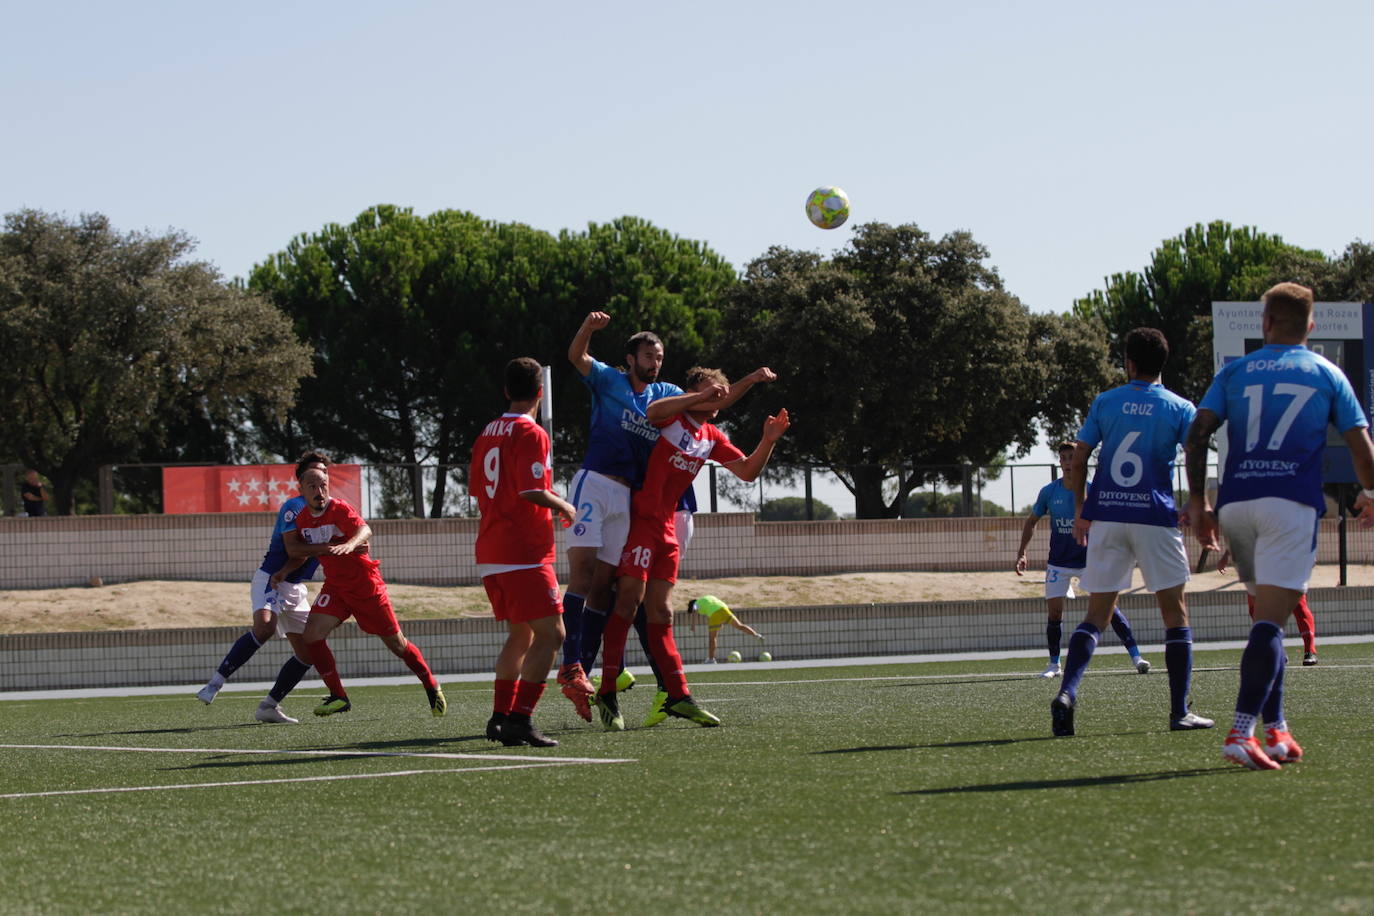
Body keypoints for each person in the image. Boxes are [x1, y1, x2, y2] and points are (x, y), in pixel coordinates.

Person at [1184, 282, 1374, 769]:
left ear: (1265, 323)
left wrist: (1200, 503)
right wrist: (1371, 495)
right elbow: (1360, 449)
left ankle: (1277, 730)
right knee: (1272, 620)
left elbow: (1199, 432)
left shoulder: (1236, 371)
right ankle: (1240, 731)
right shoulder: (1327, 374)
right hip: (1290, 503)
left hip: (1239, 504)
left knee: (1268, 621)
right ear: (1311, 326)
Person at [593, 367, 789, 731]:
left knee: (663, 613)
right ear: (694, 390)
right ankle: (607, 691)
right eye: (712, 390)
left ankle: (677, 695)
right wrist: (723, 388)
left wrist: (770, 439)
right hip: (640, 520)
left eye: (721, 395)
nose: (718, 398)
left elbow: (747, 472)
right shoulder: (670, 415)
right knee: (627, 601)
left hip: (667, 528)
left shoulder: (711, 435)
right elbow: (652, 413)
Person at [1052, 327, 1214, 737]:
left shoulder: (1106, 402)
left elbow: (1082, 452)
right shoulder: (1180, 407)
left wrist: (1081, 507)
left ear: (1129, 362)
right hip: (1155, 517)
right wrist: (1197, 502)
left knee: (1096, 615)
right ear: (1164, 362)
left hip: (1106, 517)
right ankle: (1179, 712)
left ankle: (1068, 693)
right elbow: (1195, 452)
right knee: (1175, 614)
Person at [556, 313, 685, 721]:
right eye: (649, 355)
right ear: (630, 358)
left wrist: (734, 387)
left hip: (628, 496)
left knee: (606, 584)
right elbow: (575, 356)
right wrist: (588, 329)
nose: (655, 362)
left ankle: (591, 676)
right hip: (594, 483)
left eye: (660, 356)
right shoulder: (609, 379)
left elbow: (699, 403)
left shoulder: (664, 392)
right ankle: (570, 664)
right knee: (584, 573)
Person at [470, 358, 578, 748]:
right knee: (553, 634)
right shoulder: (530, 432)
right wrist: (565, 506)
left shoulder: (486, 432)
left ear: (505, 391)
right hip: (523, 552)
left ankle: (499, 718)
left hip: (491, 548)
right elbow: (530, 490)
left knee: (521, 635)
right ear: (540, 393)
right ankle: (520, 719)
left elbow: (480, 490)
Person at [285, 466, 446, 718]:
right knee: (312, 634)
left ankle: (430, 683)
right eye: (313, 486)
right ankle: (339, 696)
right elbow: (299, 550)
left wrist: (350, 544)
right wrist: (283, 572)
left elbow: (365, 530)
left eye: (323, 485)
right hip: (336, 587)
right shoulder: (303, 520)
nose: (320, 491)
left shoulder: (339, 509)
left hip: (365, 586)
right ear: (301, 490)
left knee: (397, 644)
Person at [196, 452, 330, 723]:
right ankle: (214, 683)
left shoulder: (333, 511)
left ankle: (269, 706)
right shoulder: (293, 507)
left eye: (324, 478)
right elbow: (294, 549)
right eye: (313, 478)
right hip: (271, 578)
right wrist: (328, 547)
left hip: (294, 587)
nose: (320, 484)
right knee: (265, 627)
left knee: (308, 652)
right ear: (301, 484)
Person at [1015, 442, 1151, 678]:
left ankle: (1137, 657)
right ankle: (1054, 664)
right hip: (1059, 562)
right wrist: (1022, 552)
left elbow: (1110, 523)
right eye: (1064, 458)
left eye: (1072, 457)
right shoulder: (1049, 492)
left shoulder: (1092, 491)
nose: (1068, 462)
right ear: (1060, 463)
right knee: (1055, 613)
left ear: (1079, 462)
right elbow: (1031, 522)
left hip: (1090, 561)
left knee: (1110, 609)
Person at [1217, 548, 1318, 665]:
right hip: (1261, 564)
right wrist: (1226, 555)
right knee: (1256, 608)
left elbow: (1302, 531)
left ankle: (1310, 650)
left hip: (1288, 562)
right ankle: (1277, 649)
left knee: (1298, 605)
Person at [688, 595, 764, 663]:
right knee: (740, 625)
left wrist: (693, 626)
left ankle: (711, 659)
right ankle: (756, 635)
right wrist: (720, 622)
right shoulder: (708, 598)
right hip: (724, 609)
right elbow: (716, 606)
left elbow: (695, 610)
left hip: (715, 614)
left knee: (712, 638)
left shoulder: (696, 604)